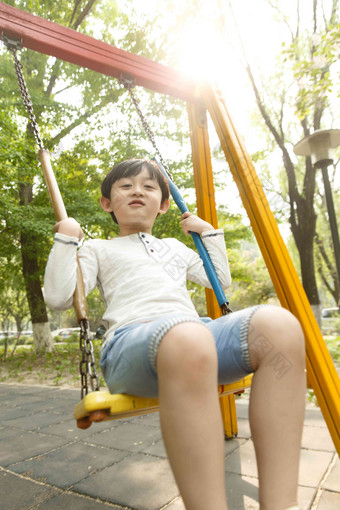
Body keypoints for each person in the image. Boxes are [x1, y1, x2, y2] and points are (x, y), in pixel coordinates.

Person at [44, 158, 306, 510]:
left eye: (149, 186)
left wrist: (208, 233)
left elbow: (219, 280)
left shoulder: (175, 248)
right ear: (107, 203)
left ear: (164, 204)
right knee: (188, 337)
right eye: (125, 185)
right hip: (133, 344)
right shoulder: (96, 249)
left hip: (196, 337)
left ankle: (280, 505)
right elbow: (59, 298)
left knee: (280, 327)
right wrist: (66, 238)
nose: (137, 190)